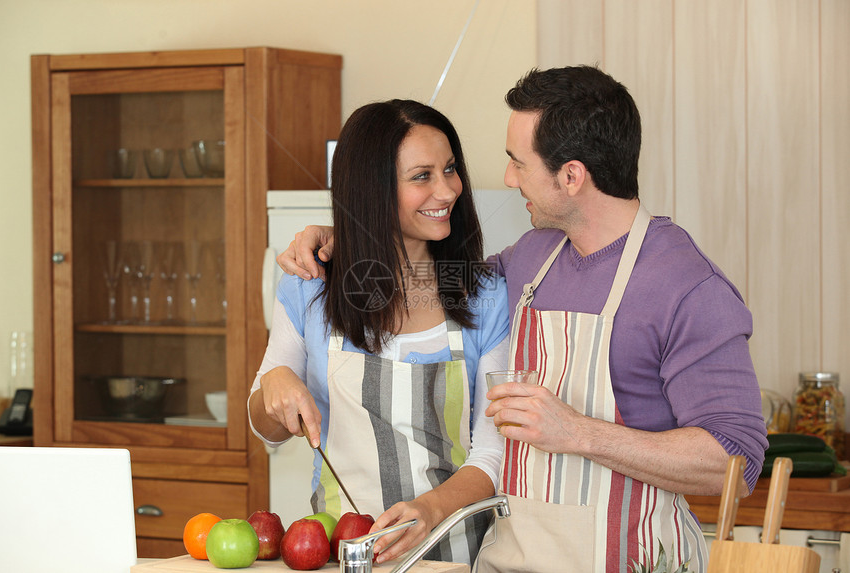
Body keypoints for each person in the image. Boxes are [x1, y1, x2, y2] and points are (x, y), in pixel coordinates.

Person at [277, 66, 768, 573]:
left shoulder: (688, 287)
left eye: (518, 163)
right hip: (514, 559)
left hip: (629, 560)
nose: (508, 178)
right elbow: (424, 280)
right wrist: (338, 240)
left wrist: (580, 433)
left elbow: (734, 462)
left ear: (571, 176)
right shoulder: (533, 257)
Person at [248, 99, 509, 566]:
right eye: (421, 176)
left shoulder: (485, 295)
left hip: (454, 555)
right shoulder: (309, 287)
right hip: (339, 554)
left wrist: (429, 510)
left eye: (450, 169)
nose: (448, 190)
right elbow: (266, 430)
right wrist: (273, 383)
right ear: (372, 189)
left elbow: (495, 450)